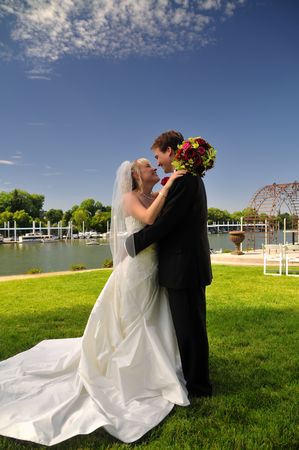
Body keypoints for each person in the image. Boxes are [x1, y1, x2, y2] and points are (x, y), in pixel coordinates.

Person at [0, 159, 189, 446]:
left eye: (153, 164)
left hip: (155, 268)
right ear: (136, 176)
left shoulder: (153, 195)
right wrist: (170, 184)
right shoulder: (131, 197)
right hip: (137, 270)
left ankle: (158, 367)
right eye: (147, 166)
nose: (154, 168)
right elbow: (149, 220)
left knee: (153, 319)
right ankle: (132, 372)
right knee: (132, 321)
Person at [125, 130, 213, 398]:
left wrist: (136, 242)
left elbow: (166, 223)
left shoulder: (185, 182)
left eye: (158, 156)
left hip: (183, 266)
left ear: (171, 152)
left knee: (190, 329)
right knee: (189, 326)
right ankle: (192, 376)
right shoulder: (185, 181)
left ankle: (198, 386)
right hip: (184, 265)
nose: (158, 162)